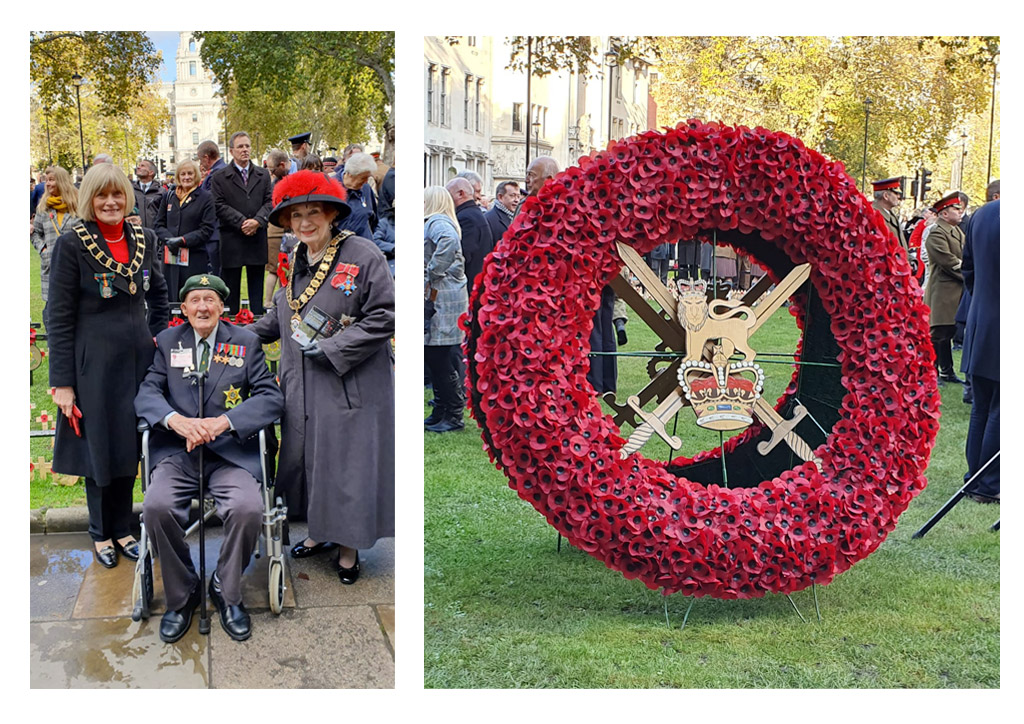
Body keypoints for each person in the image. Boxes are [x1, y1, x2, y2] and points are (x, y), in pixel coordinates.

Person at [251, 171, 395, 583]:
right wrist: (234, 335)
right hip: (302, 383)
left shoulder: (363, 253)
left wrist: (334, 348)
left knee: (346, 466)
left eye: (313, 213)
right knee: (312, 461)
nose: (304, 222)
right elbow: (284, 311)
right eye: (296, 216)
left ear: (332, 213)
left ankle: (348, 550)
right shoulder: (297, 255)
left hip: (350, 384)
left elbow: (385, 315)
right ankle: (319, 533)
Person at [135, 274, 283, 642]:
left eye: (210, 299)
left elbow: (270, 397)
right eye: (195, 300)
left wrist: (223, 422)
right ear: (183, 309)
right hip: (178, 452)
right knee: (156, 506)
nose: (203, 306)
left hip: (230, 453)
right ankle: (182, 592)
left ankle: (226, 589)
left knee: (248, 508)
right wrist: (178, 422)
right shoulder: (168, 342)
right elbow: (147, 393)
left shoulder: (246, 342)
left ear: (222, 307)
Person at [47, 163, 168, 569]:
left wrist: (156, 338)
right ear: (89, 199)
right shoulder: (71, 244)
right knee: (99, 449)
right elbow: (58, 317)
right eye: (102, 195)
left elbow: (162, 297)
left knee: (129, 446)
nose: (111, 202)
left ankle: (123, 527)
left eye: (117, 194)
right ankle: (101, 532)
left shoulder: (145, 237)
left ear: (128, 197)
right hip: (93, 367)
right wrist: (62, 381)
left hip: (138, 363)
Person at [959, 186, 999, 503]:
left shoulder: (981, 214)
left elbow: (968, 270)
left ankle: (975, 477)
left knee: (982, 408)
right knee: (1001, 410)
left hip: (981, 320)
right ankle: (988, 484)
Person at [210, 131, 273, 316]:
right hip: (232, 240)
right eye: (240, 147)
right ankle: (230, 327)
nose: (245, 150)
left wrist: (258, 221)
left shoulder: (263, 174)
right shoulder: (220, 177)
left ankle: (257, 328)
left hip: (257, 239)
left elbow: (269, 202)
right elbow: (218, 205)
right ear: (231, 151)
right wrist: (243, 223)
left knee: (256, 290)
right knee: (230, 291)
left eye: (247, 146)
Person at [423, 186, 467, 433]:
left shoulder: (437, 222)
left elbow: (448, 243)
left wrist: (433, 271)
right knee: (437, 355)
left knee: (439, 357)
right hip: (446, 296)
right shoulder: (441, 221)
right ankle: (442, 408)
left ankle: (453, 412)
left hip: (442, 298)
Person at [154, 159, 216, 304]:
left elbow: (206, 229)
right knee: (171, 297)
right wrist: (169, 239)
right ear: (178, 176)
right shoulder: (168, 196)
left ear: (196, 175)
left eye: (190, 173)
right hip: (171, 258)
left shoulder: (206, 198)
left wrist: (183, 240)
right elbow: (159, 224)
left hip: (194, 258)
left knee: (191, 296)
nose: (186, 177)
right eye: (183, 174)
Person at [924, 191, 965, 384]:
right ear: (944, 213)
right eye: (955, 209)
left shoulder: (956, 231)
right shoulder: (937, 232)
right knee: (938, 333)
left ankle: (947, 371)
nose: (959, 212)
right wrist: (969, 273)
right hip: (942, 290)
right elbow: (947, 261)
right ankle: (930, 371)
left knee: (947, 333)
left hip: (955, 290)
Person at [31, 165, 79, 329]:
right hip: (51, 267)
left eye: (51, 179)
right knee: (53, 315)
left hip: (76, 267)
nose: (47, 184)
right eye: (46, 180)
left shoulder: (78, 206)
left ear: (62, 181)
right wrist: (43, 250)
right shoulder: (43, 208)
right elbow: (34, 232)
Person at [446, 177, 493, 289]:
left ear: (460, 194)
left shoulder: (466, 218)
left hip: (468, 285)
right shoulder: (473, 213)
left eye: (448, 195)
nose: (446, 200)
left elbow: (462, 255)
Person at [198, 140, 227, 276]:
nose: (201, 164)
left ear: (206, 157)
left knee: (216, 273)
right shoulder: (223, 170)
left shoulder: (216, 174)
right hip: (219, 230)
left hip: (216, 230)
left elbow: (208, 200)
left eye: (200, 159)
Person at [338, 152, 378, 239]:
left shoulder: (366, 189)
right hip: (336, 247)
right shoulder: (330, 187)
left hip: (362, 245)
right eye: (363, 178)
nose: (366, 181)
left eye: (368, 178)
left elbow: (373, 219)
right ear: (350, 174)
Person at [871, 177, 909, 260]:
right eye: (896, 193)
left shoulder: (890, 214)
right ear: (886, 196)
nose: (899, 196)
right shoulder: (872, 214)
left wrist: (910, 260)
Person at [131, 159, 163, 230]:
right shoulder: (130, 190)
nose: (138, 167)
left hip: (155, 235)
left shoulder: (161, 192)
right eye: (139, 165)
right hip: (136, 233)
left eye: (142, 166)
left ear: (151, 172)